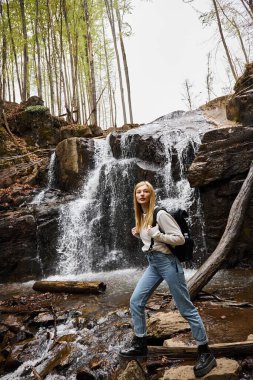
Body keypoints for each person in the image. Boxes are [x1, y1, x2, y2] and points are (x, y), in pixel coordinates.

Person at [119, 181, 217, 378]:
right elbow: (153, 243)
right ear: (135, 196)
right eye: (139, 191)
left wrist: (158, 234)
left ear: (151, 194)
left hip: (169, 264)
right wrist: (141, 234)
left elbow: (179, 239)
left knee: (186, 309)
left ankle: (205, 351)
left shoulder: (160, 214)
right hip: (153, 264)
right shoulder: (143, 215)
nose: (142, 194)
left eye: (146, 191)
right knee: (136, 301)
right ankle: (140, 344)